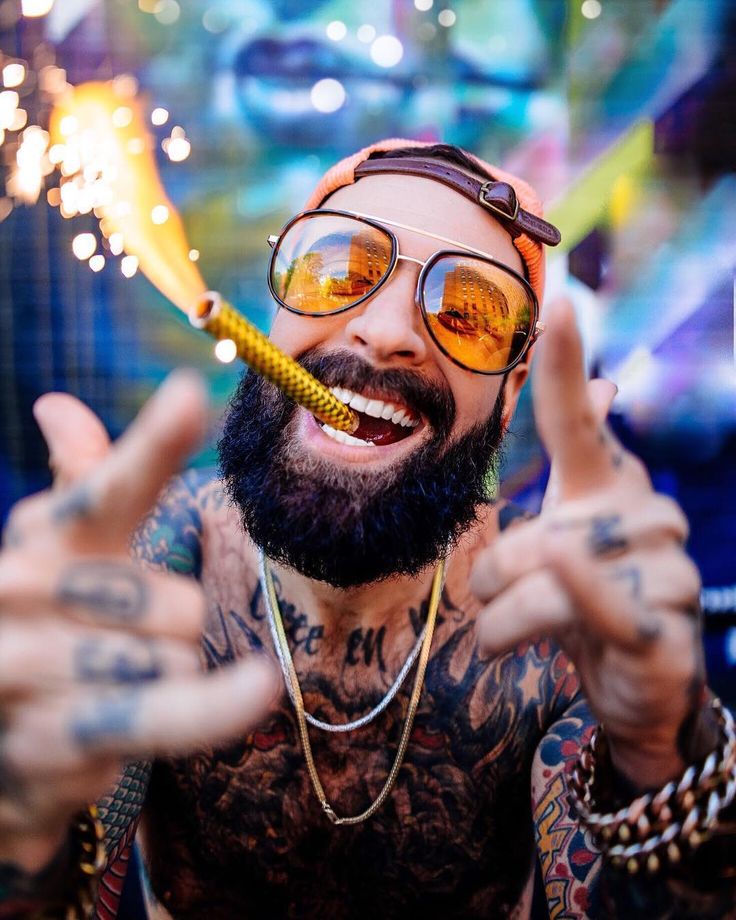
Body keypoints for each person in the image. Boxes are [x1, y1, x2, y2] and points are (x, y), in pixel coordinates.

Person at [0, 140, 733, 920]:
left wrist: (661, 750)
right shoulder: (144, 572)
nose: (385, 332)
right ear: (278, 312)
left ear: (512, 394)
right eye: (338, 269)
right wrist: (23, 821)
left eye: (469, 312)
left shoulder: (558, 618)